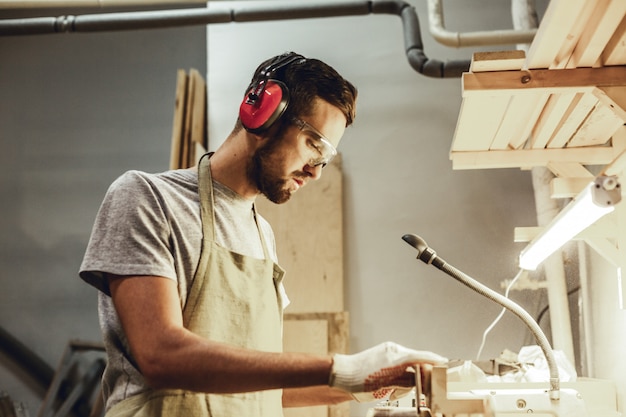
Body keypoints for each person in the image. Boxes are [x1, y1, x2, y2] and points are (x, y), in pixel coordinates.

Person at [79, 51, 446, 417]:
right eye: (314, 145)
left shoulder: (262, 235)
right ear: (263, 112)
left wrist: (366, 385)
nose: (316, 172)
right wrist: (342, 368)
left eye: (325, 158)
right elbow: (161, 355)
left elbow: (267, 388)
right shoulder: (147, 199)